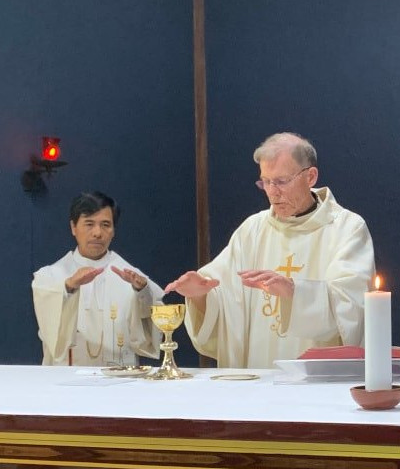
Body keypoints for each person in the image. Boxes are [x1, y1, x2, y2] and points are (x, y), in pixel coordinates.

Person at [164, 132, 375, 368]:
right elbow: (224, 303)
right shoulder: (252, 230)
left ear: (311, 176)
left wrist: (295, 292)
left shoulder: (347, 229)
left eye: (282, 181)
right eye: (265, 181)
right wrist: (200, 296)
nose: (272, 191)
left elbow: (352, 306)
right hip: (259, 380)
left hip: (318, 383)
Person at [32, 191, 163, 366]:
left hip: (119, 382)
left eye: (105, 225)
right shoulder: (51, 276)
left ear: (113, 230)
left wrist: (141, 292)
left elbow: (150, 333)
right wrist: (69, 287)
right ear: (73, 227)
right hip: (66, 381)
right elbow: (48, 322)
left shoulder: (132, 277)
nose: (97, 233)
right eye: (89, 224)